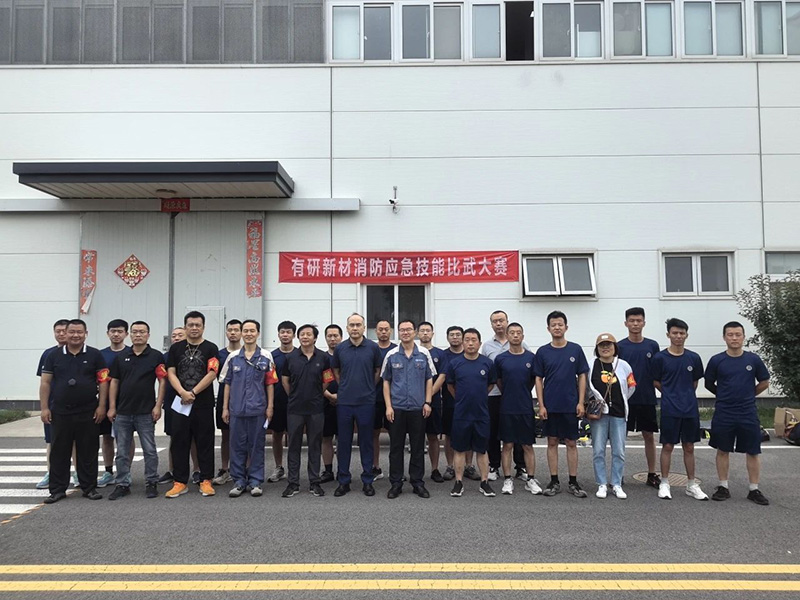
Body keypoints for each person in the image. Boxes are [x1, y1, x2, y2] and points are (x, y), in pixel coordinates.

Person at [39, 319, 109, 503]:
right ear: (66, 333)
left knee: (88, 451)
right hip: (60, 412)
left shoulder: (95, 355)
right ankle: (57, 490)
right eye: (72, 332)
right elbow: (45, 382)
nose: (75, 335)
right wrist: (44, 408)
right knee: (59, 451)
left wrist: (101, 406)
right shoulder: (53, 355)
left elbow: (103, 382)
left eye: (79, 332)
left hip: (88, 411)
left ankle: (89, 488)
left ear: (86, 334)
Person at [705, 321, 771, 505]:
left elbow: (764, 382)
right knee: (723, 449)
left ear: (743, 337)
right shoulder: (717, 360)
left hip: (747, 412)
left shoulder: (753, 359)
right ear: (724, 337)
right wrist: (723, 395)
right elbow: (709, 383)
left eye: (738, 334)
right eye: (730, 335)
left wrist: (749, 394)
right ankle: (723, 486)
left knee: (753, 451)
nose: (734, 338)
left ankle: (754, 489)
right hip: (724, 412)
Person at [106, 321, 166, 500]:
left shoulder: (155, 356)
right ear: (130, 335)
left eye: (142, 332)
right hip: (123, 412)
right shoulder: (121, 356)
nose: (138, 335)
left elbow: (162, 381)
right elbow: (114, 381)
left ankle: (151, 482)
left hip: (146, 412)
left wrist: (158, 405)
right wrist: (112, 407)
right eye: (135, 332)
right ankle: (122, 484)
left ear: (148, 335)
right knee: (122, 452)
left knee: (150, 450)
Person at [534, 311, 590, 498]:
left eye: (560, 324)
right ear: (548, 328)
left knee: (571, 442)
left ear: (566, 327)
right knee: (551, 442)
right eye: (553, 325)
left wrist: (581, 402)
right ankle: (554, 480)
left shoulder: (575, 349)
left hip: (570, 404)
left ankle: (573, 481)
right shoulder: (543, 352)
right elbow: (538, 379)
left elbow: (582, 376)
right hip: (550, 405)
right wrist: (541, 405)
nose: (557, 327)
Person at [164, 311, 220, 498]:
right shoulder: (176, 349)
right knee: (179, 441)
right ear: (185, 327)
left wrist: (193, 392)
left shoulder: (211, 348)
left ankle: (206, 480)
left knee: (205, 441)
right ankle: (180, 482)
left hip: (203, 403)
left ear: (203, 327)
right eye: (190, 325)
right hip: (180, 402)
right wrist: (182, 392)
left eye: (198, 325)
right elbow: (171, 372)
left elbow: (212, 373)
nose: (194, 328)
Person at [652, 318, 708, 501]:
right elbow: (656, 381)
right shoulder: (660, 358)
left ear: (686, 335)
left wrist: (684, 396)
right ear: (668, 335)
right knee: (667, 446)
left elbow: (694, 382)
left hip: (690, 409)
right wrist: (670, 394)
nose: (678, 336)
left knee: (689, 446)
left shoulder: (693, 358)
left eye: (681, 333)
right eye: (674, 333)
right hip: (670, 409)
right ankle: (664, 483)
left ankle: (691, 484)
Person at [222, 319, 277, 498]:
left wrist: (270, 407)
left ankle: (255, 481)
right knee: (237, 447)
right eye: (245, 331)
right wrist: (225, 408)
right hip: (237, 410)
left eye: (252, 331)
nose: (248, 334)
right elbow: (227, 383)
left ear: (258, 333)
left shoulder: (266, 356)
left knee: (256, 446)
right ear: (241, 333)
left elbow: (270, 383)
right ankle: (239, 481)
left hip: (258, 410)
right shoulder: (233, 357)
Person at [330, 313, 383, 497]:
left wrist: (369, 387)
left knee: (366, 442)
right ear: (347, 328)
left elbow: (378, 371)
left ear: (364, 327)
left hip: (366, 401)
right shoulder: (340, 348)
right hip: (345, 402)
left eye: (358, 325)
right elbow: (336, 371)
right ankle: (343, 480)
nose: (354, 328)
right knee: (343, 442)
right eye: (351, 325)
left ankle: (367, 480)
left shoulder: (373, 348)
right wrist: (344, 386)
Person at [382, 320, 434, 499]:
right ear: (398, 332)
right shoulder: (391, 355)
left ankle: (417, 483)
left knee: (417, 447)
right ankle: (396, 483)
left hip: (418, 408)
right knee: (395, 448)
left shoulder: (424, 353)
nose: (405, 332)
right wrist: (388, 406)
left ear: (415, 332)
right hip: (396, 408)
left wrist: (427, 402)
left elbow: (429, 378)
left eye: (409, 329)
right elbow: (386, 381)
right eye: (402, 330)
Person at [281, 324, 334, 498]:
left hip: (316, 408)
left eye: (308, 334)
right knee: (294, 446)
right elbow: (285, 380)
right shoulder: (290, 358)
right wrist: (294, 395)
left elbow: (328, 379)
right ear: (298, 337)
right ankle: (293, 483)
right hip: (295, 409)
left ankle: (314, 482)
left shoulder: (323, 357)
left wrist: (318, 393)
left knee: (315, 445)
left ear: (315, 338)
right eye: (302, 334)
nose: (305, 337)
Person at [446, 328, 497, 498]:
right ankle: (458, 482)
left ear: (479, 343)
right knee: (459, 449)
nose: (470, 343)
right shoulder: (455, 363)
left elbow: (490, 384)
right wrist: (461, 399)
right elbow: (450, 385)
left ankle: (484, 482)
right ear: (463, 342)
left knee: (482, 450)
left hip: (481, 413)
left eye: (473, 340)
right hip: (461, 414)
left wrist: (479, 397)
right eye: (467, 340)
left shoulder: (487, 363)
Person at [494, 323, 541, 495]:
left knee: (527, 445)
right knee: (507, 445)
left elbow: (533, 381)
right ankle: (507, 479)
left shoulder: (531, 358)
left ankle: (531, 479)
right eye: (512, 333)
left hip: (525, 407)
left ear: (523, 336)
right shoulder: (500, 359)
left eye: (518, 333)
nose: (515, 335)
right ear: (507, 336)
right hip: (507, 407)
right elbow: (499, 381)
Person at [587, 333, 636, 499]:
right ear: (597, 348)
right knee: (598, 450)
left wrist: (621, 401)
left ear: (615, 347)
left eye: (609, 345)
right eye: (602, 345)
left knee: (619, 451)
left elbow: (631, 386)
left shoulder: (624, 365)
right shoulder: (591, 365)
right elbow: (586, 387)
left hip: (619, 414)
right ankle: (601, 483)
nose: (605, 348)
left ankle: (616, 483)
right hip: (599, 415)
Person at [617, 307, 662, 488]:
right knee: (621, 437)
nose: (635, 324)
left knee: (649, 436)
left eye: (638, 321)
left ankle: (651, 474)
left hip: (647, 398)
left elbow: (658, 372)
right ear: (626, 323)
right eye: (632, 321)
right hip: (624, 400)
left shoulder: (652, 346)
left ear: (644, 323)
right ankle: (618, 475)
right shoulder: (619, 346)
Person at [480, 310, 527, 481]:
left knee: (517, 432)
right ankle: (494, 465)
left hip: (515, 396)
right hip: (493, 395)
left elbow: (528, 371)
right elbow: (485, 370)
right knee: (493, 431)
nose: (498, 324)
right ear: (491, 324)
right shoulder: (487, 346)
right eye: (495, 321)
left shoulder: (520, 342)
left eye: (501, 320)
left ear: (507, 321)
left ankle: (520, 466)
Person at [35, 319, 70, 490]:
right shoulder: (48, 354)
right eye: (58, 331)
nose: (61, 334)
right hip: (53, 405)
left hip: (77, 406)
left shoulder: (82, 353)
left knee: (76, 442)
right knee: (52, 441)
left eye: (64, 330)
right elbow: (44, 382)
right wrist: (44, 407)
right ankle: (51, 473)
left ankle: (77, 474)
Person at [441, 326, 478, 481]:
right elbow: (444, 380)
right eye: (452, 335)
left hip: (470, 404)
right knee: (449, 435)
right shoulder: (443, 355)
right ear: (447, 337)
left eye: (458, 335)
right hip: (450, 402)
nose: (455, 337)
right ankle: (450, 466)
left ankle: (469, 465)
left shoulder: (470, 354)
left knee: (470, 434)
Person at [98, 319, 129, 488]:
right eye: (113, 331)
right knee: (107, 436)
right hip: (105, 401)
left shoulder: (132, 352)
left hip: (127, 402)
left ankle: (126, 471)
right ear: (107, 333)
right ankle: (108, 471)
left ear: (126, 334)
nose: (116, 334)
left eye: (120, 331)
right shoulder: (100, 355)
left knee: (127, 438)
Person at [212, 319, 242, 486]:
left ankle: (243, 470)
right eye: (230, 330)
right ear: (226, 332)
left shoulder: (248, 353)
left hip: (244, 400)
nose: (233, 333)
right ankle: (225, 469)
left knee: (244, 436)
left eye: (236, 330)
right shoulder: (219, 354)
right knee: (226, 436)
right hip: (225, 399)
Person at [417, 321, 448, 483]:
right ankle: (415, 472)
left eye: (428, 330)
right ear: (417, 334)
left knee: (433, 436)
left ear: (432, 333)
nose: (425, 333)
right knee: (416, 438)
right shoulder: (413, 352)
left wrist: (428, 396)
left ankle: (435, 469)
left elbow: (442, 376)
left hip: (433, 401)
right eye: (422, 330)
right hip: (414, 401)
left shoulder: (440, 354)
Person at [267, 320, 296, 483]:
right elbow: (268, 381)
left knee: (294, 435)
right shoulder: (272, 356)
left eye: (288, 332)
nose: (285, 335)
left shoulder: (299, 354)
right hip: (277, 401)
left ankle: (293, 468)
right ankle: (279, 467)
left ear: (293, 335)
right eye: (282, 332)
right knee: (276, 435)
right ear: (278, 335)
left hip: (295, 402)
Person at [372, 319, 397, 480]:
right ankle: (375, 467)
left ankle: (396, 469)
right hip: (373, 398)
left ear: (391, 331)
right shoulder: (371, 349)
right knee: (373, 434)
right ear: (375, 331)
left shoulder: (396, 350)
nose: (383, 332)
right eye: (380, 329)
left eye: (386, 329)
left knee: (395, 435)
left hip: (394, 400)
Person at [320, 324, 342, 483]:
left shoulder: (347, 355)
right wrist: (329, 395)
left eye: (336, 336)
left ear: (341, 337)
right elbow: (317, 381)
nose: (333, 339)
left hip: (345, 402)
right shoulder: (321, 358)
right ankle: (328, 471)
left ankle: (342, 470)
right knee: (326, 438)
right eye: (329, 336)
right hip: (325, 402)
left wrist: (340, 396)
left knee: (343, 438)